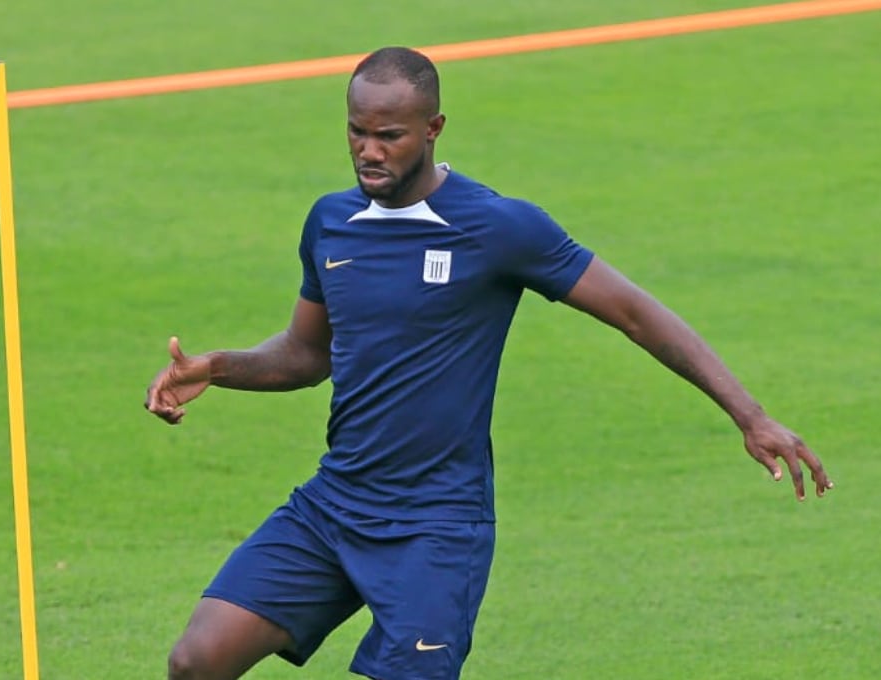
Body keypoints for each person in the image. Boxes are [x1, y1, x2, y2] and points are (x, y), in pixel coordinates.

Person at [144, 46, 832, 680]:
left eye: (390, 136)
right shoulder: (330, 222)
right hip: (337, 504)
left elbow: (634, 312)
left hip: (437, 526)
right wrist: (218, 367)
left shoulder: (498, 227)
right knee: (195, 662)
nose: (368, 151)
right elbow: (306, 352)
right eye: (357, 132)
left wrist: (750, 415)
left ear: (434, 129)